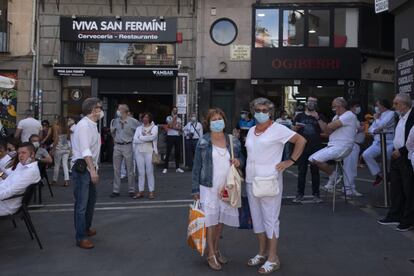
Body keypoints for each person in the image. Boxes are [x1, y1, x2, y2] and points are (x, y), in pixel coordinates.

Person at [245, 98, 306, 274]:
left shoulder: (278, 129)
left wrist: (290, 161)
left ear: (270, 112)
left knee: (270, 220)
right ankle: (262, 253)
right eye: (258, 109)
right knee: (257, 219)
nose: (261, 113)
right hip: (251, 180)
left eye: (265, 110)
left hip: (269, 180)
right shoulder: (250, 131)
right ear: (253, 111)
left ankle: (273, 258)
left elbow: (301, 141)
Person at [191, 108, 244, 271]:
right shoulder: (203, 141)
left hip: (227, 185)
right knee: (211, 222)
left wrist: (238, 162)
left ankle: (215, 248)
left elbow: (242, 158)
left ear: (224, 121)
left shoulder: (232, 140)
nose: (217, 122)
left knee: (220, 222)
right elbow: (196, 167)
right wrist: (195, 190)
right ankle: (211, 254)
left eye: (219, 119)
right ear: (208, 123)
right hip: (208, 186)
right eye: (213, 120)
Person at [377, 93, 414, 232]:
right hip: (396, 155)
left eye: (396, 104)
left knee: (408, 189)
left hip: (407, 156)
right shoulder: (399, 116)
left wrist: (402, 151)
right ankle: (395, 215)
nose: (394, 106)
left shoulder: (412, 116)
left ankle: (408, 220)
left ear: (404, 104)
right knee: (396, 188)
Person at [71, 97, 102, 249]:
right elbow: (85, 150)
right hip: (83, 168)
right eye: (99, 107)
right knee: (82, 204)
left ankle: (86, 228)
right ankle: (81, 237)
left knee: (91, 201)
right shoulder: (84, 126)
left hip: (89, 168)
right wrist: (93, 170)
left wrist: (94, 168)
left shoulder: (92, 124)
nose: (101, 110)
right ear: (93, 110)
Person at [309, 97, 357, 191]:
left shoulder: (349, 115)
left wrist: (323, 123)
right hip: (332, 145)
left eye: (333, 106)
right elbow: (328, 131)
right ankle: (333, 175)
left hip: (343, 146)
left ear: (340, 106)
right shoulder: (336, 117)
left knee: (316, 159)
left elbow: (329, 127)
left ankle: (334, 176)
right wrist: (323, 127)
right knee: (311, 159)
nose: (333, 109)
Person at [292, 95, 325, 203]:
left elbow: (325, 129)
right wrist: (296, 128)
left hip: (316, 148)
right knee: (302, 171)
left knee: (315, 172)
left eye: (314, 102)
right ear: (306, 103)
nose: (311, 103)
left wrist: (318, 118)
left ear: (316, 104)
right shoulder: (299, 116)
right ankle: (299, 194)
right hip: (302, 148)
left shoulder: (320, 116)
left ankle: (316, 194)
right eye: (310, 101)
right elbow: (293, 130)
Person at [0, 142, 41, 215]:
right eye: (19, 153)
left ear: (32, 154)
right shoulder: (22, 165)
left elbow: (11, 191)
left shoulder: (31, 171)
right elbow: (8, 178)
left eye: (23, 153)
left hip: (6, 205)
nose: (20, 156)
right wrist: (1, 173)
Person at [362, 99, 396, 186]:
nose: (376, 107)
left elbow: (381, 125)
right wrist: (376, 129)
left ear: (383, 105)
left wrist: (377, 121)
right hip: (377, 142)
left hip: (389, 141)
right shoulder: (378, 115)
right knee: (366, 154)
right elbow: (371, 129)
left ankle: (389, 175)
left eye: (377, 105)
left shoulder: (391, 114)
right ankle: (379, 174)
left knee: (387, 157)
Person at [110, 104, 139, 198]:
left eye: (119, 109)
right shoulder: (115, 121)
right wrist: (115, 140)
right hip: (117, 146)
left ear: (124, 111)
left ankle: (131, 190)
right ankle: (115, 190)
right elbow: (113, 132)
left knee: (130, 169)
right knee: (116, 169)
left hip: (128, 146)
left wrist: (134, 140)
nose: (117, 111)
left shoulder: (133, 121)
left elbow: (139, 130)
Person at [133, 112, 158, 199]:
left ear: (150, 118)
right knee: (141, 172)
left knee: (149, 172)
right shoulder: (138, 128)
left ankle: (151, 191)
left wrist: (141, 138)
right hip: (139, 152)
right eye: (144, 117)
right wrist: (144, 138)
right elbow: (135, 140)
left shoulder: (154, 127)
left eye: (147, 117)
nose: (145, 119)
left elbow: (152, 137)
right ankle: (141, 191)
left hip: (149, 152)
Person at [342, 102, 365, 196]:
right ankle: (348, 188)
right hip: (351, 144)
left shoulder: (353, 116)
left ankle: (349, 187)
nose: (358, 108)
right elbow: (348, 130)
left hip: (355, 145)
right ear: (352, 107)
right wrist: (359, 129)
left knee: (351, 167)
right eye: (356, 106)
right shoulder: (350, 116)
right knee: (349, 168)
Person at [163, 106, 184, 174]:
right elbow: (169, 126)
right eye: (174, 110)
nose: (175, 111)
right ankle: (165, 167)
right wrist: (173, 121)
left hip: (177, 136)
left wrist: (172, 126)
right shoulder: (168, 117)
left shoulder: (179, 119)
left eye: (176, 110)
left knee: (177, 152)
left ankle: (177, 167)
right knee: (168, 152)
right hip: (170, 136)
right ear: (172, 111)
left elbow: (179, 128)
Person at [51, 117, 71, 187]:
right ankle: (66, 181)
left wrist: (53, 149)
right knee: (65, 164)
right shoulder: (67, 127)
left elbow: (56, 139)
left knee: (57, 165)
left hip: (59, 148)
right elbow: (69, 138)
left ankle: (54, 180)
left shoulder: (56, 127)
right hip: (66, 148)